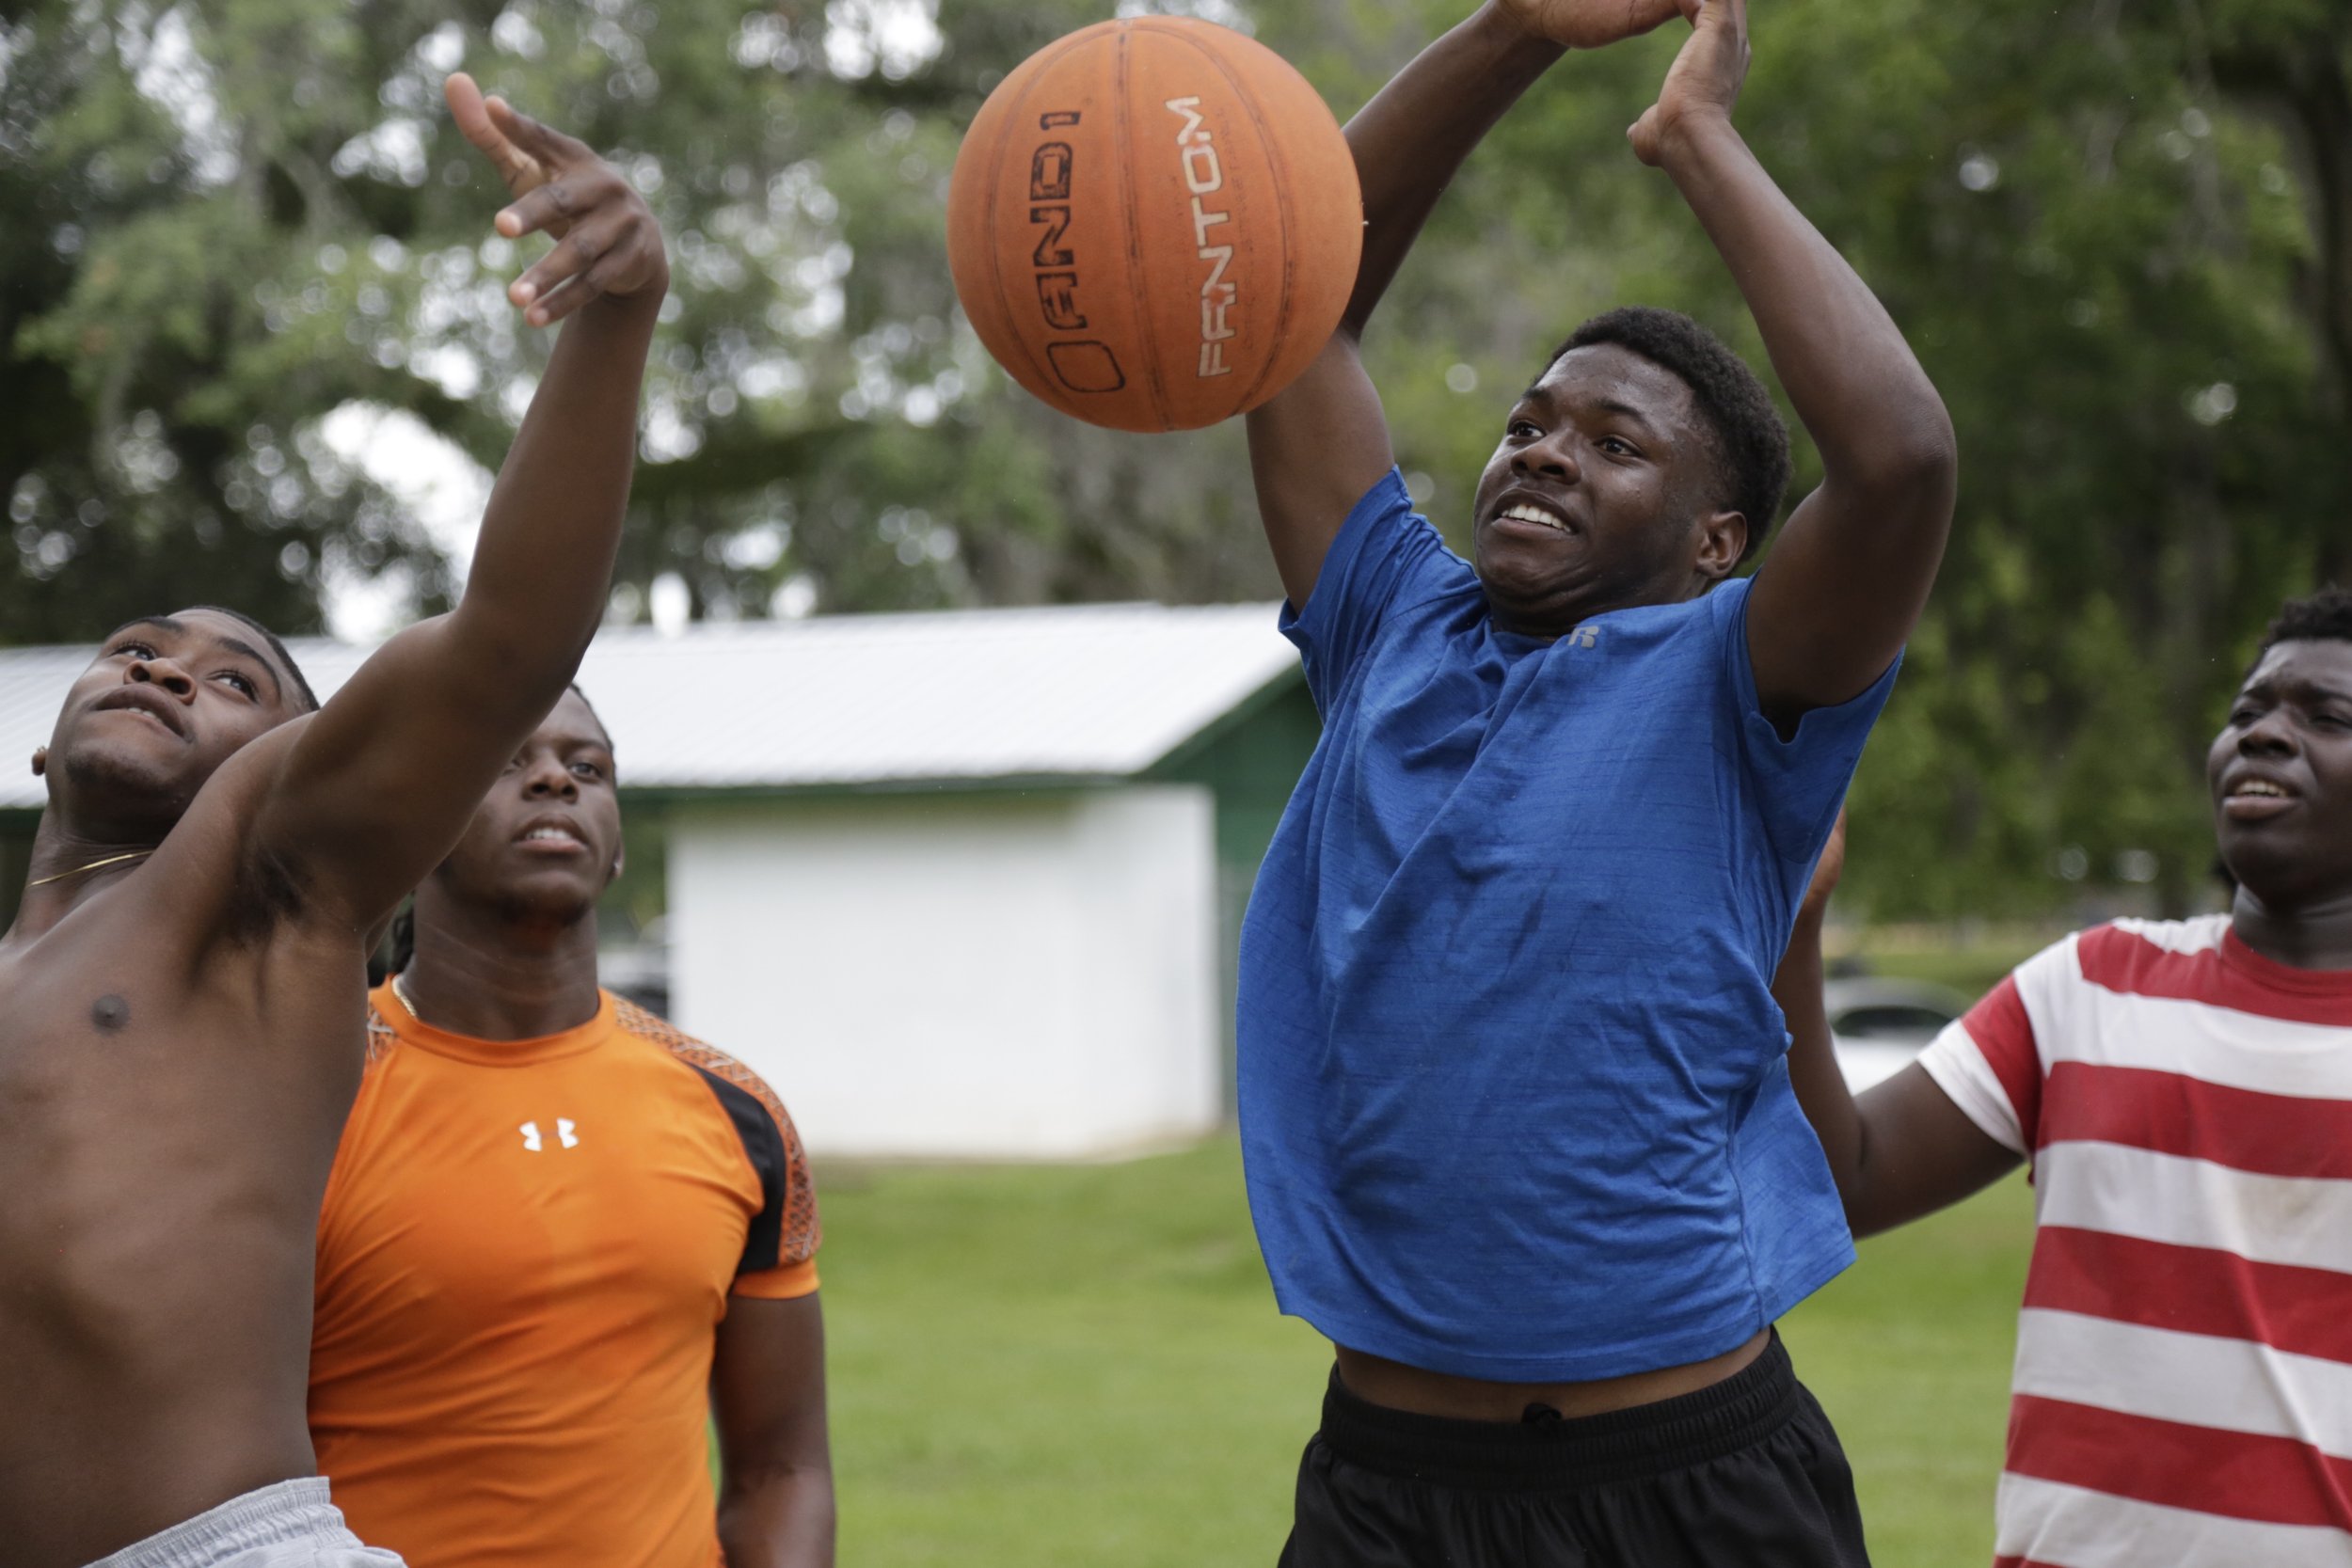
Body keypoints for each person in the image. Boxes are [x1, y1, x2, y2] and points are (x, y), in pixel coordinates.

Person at [1234, 0, 1959, 1558]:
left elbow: (1898, 456)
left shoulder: (1739, 680)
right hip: (1389, 1487)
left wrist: (1697, 138)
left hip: (1687, 1480)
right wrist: (1515, 32)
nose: (1544, 451)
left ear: (1714, 542)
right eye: (1528, 421)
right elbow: (1295, 311)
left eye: (1615, 442)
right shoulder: (1389, 629)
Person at [0, 76, 667, 1568]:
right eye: (136, 647)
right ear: (42, 752)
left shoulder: (255, 885)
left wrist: (615, 321)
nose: (169, 666)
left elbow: (506, 640)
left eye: (236, 679)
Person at [1778, 585, 2352, 1568]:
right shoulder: (2086, 986)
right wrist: (1798, 915)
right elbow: (1843, 1174)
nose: (2261, 734)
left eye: (2324, 716)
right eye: (2246, 711)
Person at [308, 687, 831, 1567]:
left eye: (587, 768)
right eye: (505, 760)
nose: (554, 779)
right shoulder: (303, 1092)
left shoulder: (736, 1111)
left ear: (619, 844)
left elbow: (782, 1469)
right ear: (412, 824)